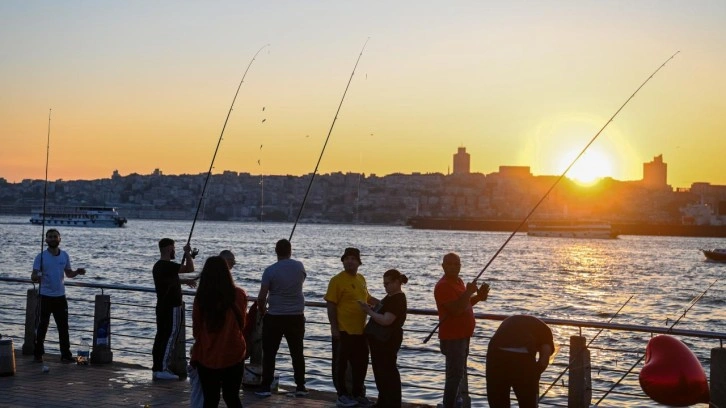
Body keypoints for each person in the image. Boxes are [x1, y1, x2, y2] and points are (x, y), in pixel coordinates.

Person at [434, 252, 490, 408]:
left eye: (456, 264)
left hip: (463, 336)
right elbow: (455, 310)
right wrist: (469, 292)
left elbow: (465, 303)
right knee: (454, 376)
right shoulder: (443, 286)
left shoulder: (459, 282)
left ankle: (455, 402)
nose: (453, 267)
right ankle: (449, 405)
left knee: (458, 374)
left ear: (460, 266)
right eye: (449, 264)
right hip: (453, 337)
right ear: (443, 266)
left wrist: (478, 297)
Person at [191, 256, 248, 408]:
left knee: (210, 399)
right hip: (233, 352)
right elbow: (242, 323)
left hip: (207, 354)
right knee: (232, 397)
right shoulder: (239, 294)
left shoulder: (201, 298)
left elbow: (196, 329)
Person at [255, 239, 308, 397]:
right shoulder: (299, 266)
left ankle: (266, 386)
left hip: (275, 316)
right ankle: (300, 386)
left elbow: (261, 297)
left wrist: (262, 310)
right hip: (296, 316)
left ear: (276, 251)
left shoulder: (270, 270)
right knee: (297, 352)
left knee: (269, 353)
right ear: (290, 251)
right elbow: (301, 281)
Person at [325, 247, 377, 407]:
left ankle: (357, 394)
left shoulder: (361, 279)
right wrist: (334, 328)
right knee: (340, 365)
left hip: (360, 332)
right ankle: (342, 395)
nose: (349, 261)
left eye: (353, 259)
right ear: (343, 261)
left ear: (359, 262)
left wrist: (386, 303)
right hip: (343, 330)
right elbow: (331, 305)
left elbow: (367, 298)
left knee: (361, 364)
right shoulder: (336, 280)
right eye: (346, 258)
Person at [30, 228, 86, 363]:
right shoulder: (40, 257)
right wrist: (37, 276)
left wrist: (77, 272)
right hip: (44, 296)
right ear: (46, 240)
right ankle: (38, 354)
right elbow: (33, 276)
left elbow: (69, 274)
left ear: (59, 239)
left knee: (63, 327)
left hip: (60, 297)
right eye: (50, 237)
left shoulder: (64, 255)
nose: (52, 239)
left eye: (55, 236)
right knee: (42, 326)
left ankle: (65, 355)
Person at [359, 269, 408, 408]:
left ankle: (391, 403)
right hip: (381, 339)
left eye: (387, 284)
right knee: (380, 371)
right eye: (384, 284)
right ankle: (384, 401)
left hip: (387, 340)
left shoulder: (397, 299)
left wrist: (368, 311)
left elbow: (387, 320)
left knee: (387, 371)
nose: (385, 286)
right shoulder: (391, 297)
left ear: (397, 282)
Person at [151, 238, 197, 381]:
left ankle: (157, 368)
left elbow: (170, 280)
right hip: (172, 306)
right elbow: (190, 269)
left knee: (161, 336)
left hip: (162, 306)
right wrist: (187, 253)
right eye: (174, 248)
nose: (175, 251)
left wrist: (184, 281)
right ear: (169, 248)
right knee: (170, 336)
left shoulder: (159, 266)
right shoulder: (167, 265)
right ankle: (163, 369)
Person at [486, 315, 554, 408]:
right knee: (528, 402)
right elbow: (543, 361)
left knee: (498, 401)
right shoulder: (546, 334)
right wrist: (535, 374)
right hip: (522, 360)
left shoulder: (516, 321)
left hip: (496, 354)